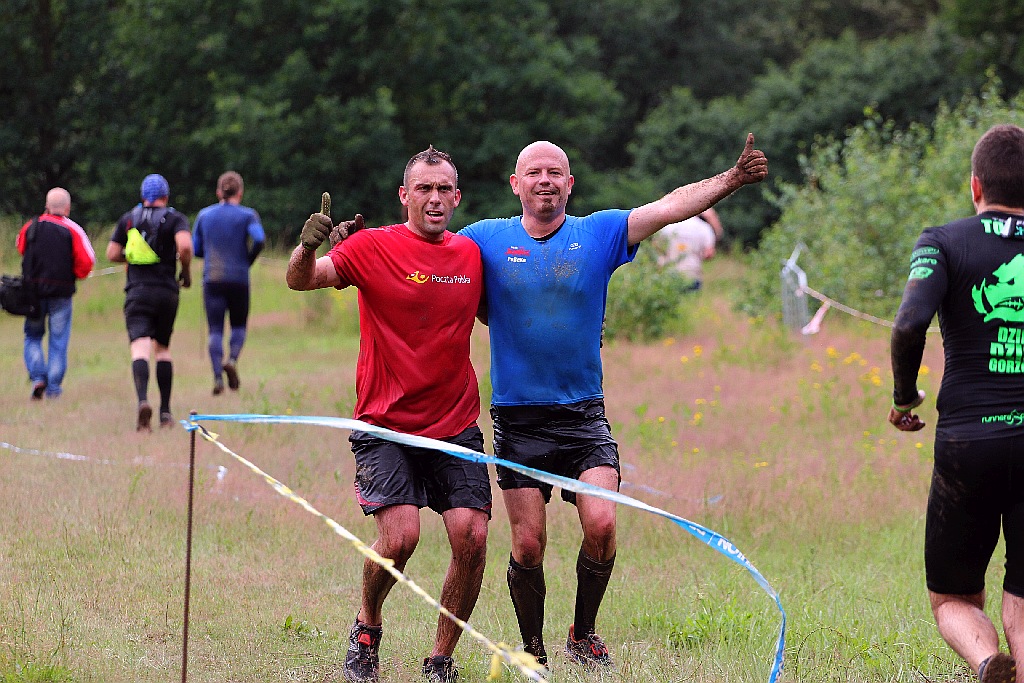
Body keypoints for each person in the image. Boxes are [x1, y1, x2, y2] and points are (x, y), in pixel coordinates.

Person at [458, 134, 767, 670]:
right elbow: (422, 250)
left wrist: (731, 179)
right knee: (528, 546)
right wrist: (359, 246)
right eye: (534, 172)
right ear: (515, 184)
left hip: (583, 416)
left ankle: (584, 633)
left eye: (555, 172)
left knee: (601, 525)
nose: (545, 181)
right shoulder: (483, 238)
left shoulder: (598, 232)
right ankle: (533, 650)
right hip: (518, 419)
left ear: (570, 184)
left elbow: (671, 207)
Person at [286, 146, 489, 683]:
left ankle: (442, 660)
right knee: (399, 540)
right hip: (384, 425)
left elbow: (514, 307)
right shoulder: (372, 248)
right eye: (424, 189)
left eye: (445, 189)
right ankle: (368, 623)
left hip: (455, 423)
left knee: (471, 538)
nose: (435, 199)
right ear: (405, 196)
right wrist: (306, 249)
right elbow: (302, 280)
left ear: (457, 197)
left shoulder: (471, 256)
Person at [889, 123, 1024, 683]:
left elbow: (909, 324)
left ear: (976, 186)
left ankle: (985, 657)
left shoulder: (942, 240)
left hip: (967, 440)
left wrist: (905, 396)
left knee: (952, 596)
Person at [106, 173, 193, 432]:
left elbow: (111, 253)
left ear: (143, 196)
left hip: (137, 291)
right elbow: (186, 247)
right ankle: (165, 412)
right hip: (166, 292)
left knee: (140, 349)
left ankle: (143, 401)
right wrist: (185, 271)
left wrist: (133, 258)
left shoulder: (129, 218)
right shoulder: (175, 218)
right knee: (163, 349)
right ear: (165, 196)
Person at [17, 187, 96, 399]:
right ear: (67, 208)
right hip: (61, 294)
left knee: (32, 336)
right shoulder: (72, 229)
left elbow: (20, 247)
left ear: (46, 205)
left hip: (32, 294)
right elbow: (87, 261)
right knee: (58, 340)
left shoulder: (30, 227)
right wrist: (77, 274)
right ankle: (53, 388)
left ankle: (37, 378)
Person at [192, 171, 265, 395]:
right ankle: (232, 359)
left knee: (215, 330)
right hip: (239, 278)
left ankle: (217, 377)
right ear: (240, 193)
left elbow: (196, 249)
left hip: (212, 278)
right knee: (239, 326)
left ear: (218, 192)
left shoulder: (204, 215)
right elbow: (260, 239)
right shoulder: (247, 215)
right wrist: (248, 260)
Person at [658, 208, 724, 290]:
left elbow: (657, 247)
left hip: (668, 275)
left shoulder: (668, 227)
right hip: (692, 275)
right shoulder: (704, 228)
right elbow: (709, 254)